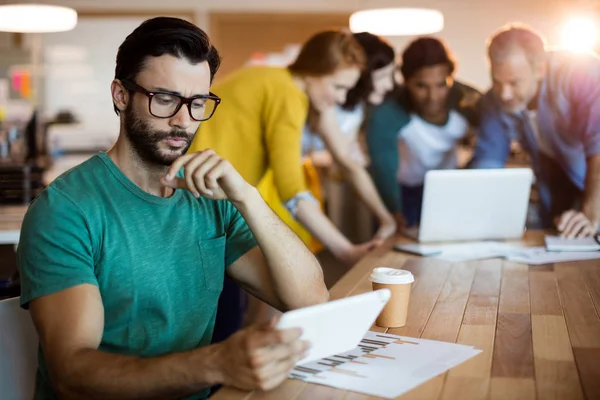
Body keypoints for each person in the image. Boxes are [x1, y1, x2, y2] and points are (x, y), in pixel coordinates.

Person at [17, 17, 329, 400]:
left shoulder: (211, 198)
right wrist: (215, 364)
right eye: (165, 99)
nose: (184, 121)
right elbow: (73, 372)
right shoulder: (65, 210)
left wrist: (247, 197)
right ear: (121, 95)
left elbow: (311, 300)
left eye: (198, 103)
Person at [471, 24, 600, 238]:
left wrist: (593, 212)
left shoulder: (584, 73)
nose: (504, 94)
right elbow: (487, 165)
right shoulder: (493, 102)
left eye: (514, 82)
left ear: (540, 69)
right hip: (559, 189)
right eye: (497, 81)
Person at [366, 37, 481, 226]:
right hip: (403, 192)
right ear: (406, 81)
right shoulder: (388, 113)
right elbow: (383, 168)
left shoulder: (469, 102)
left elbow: (490, 145)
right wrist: (394, 210)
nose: (432, 97)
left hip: (451, 188)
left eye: (441, 84)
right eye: (421, 86)